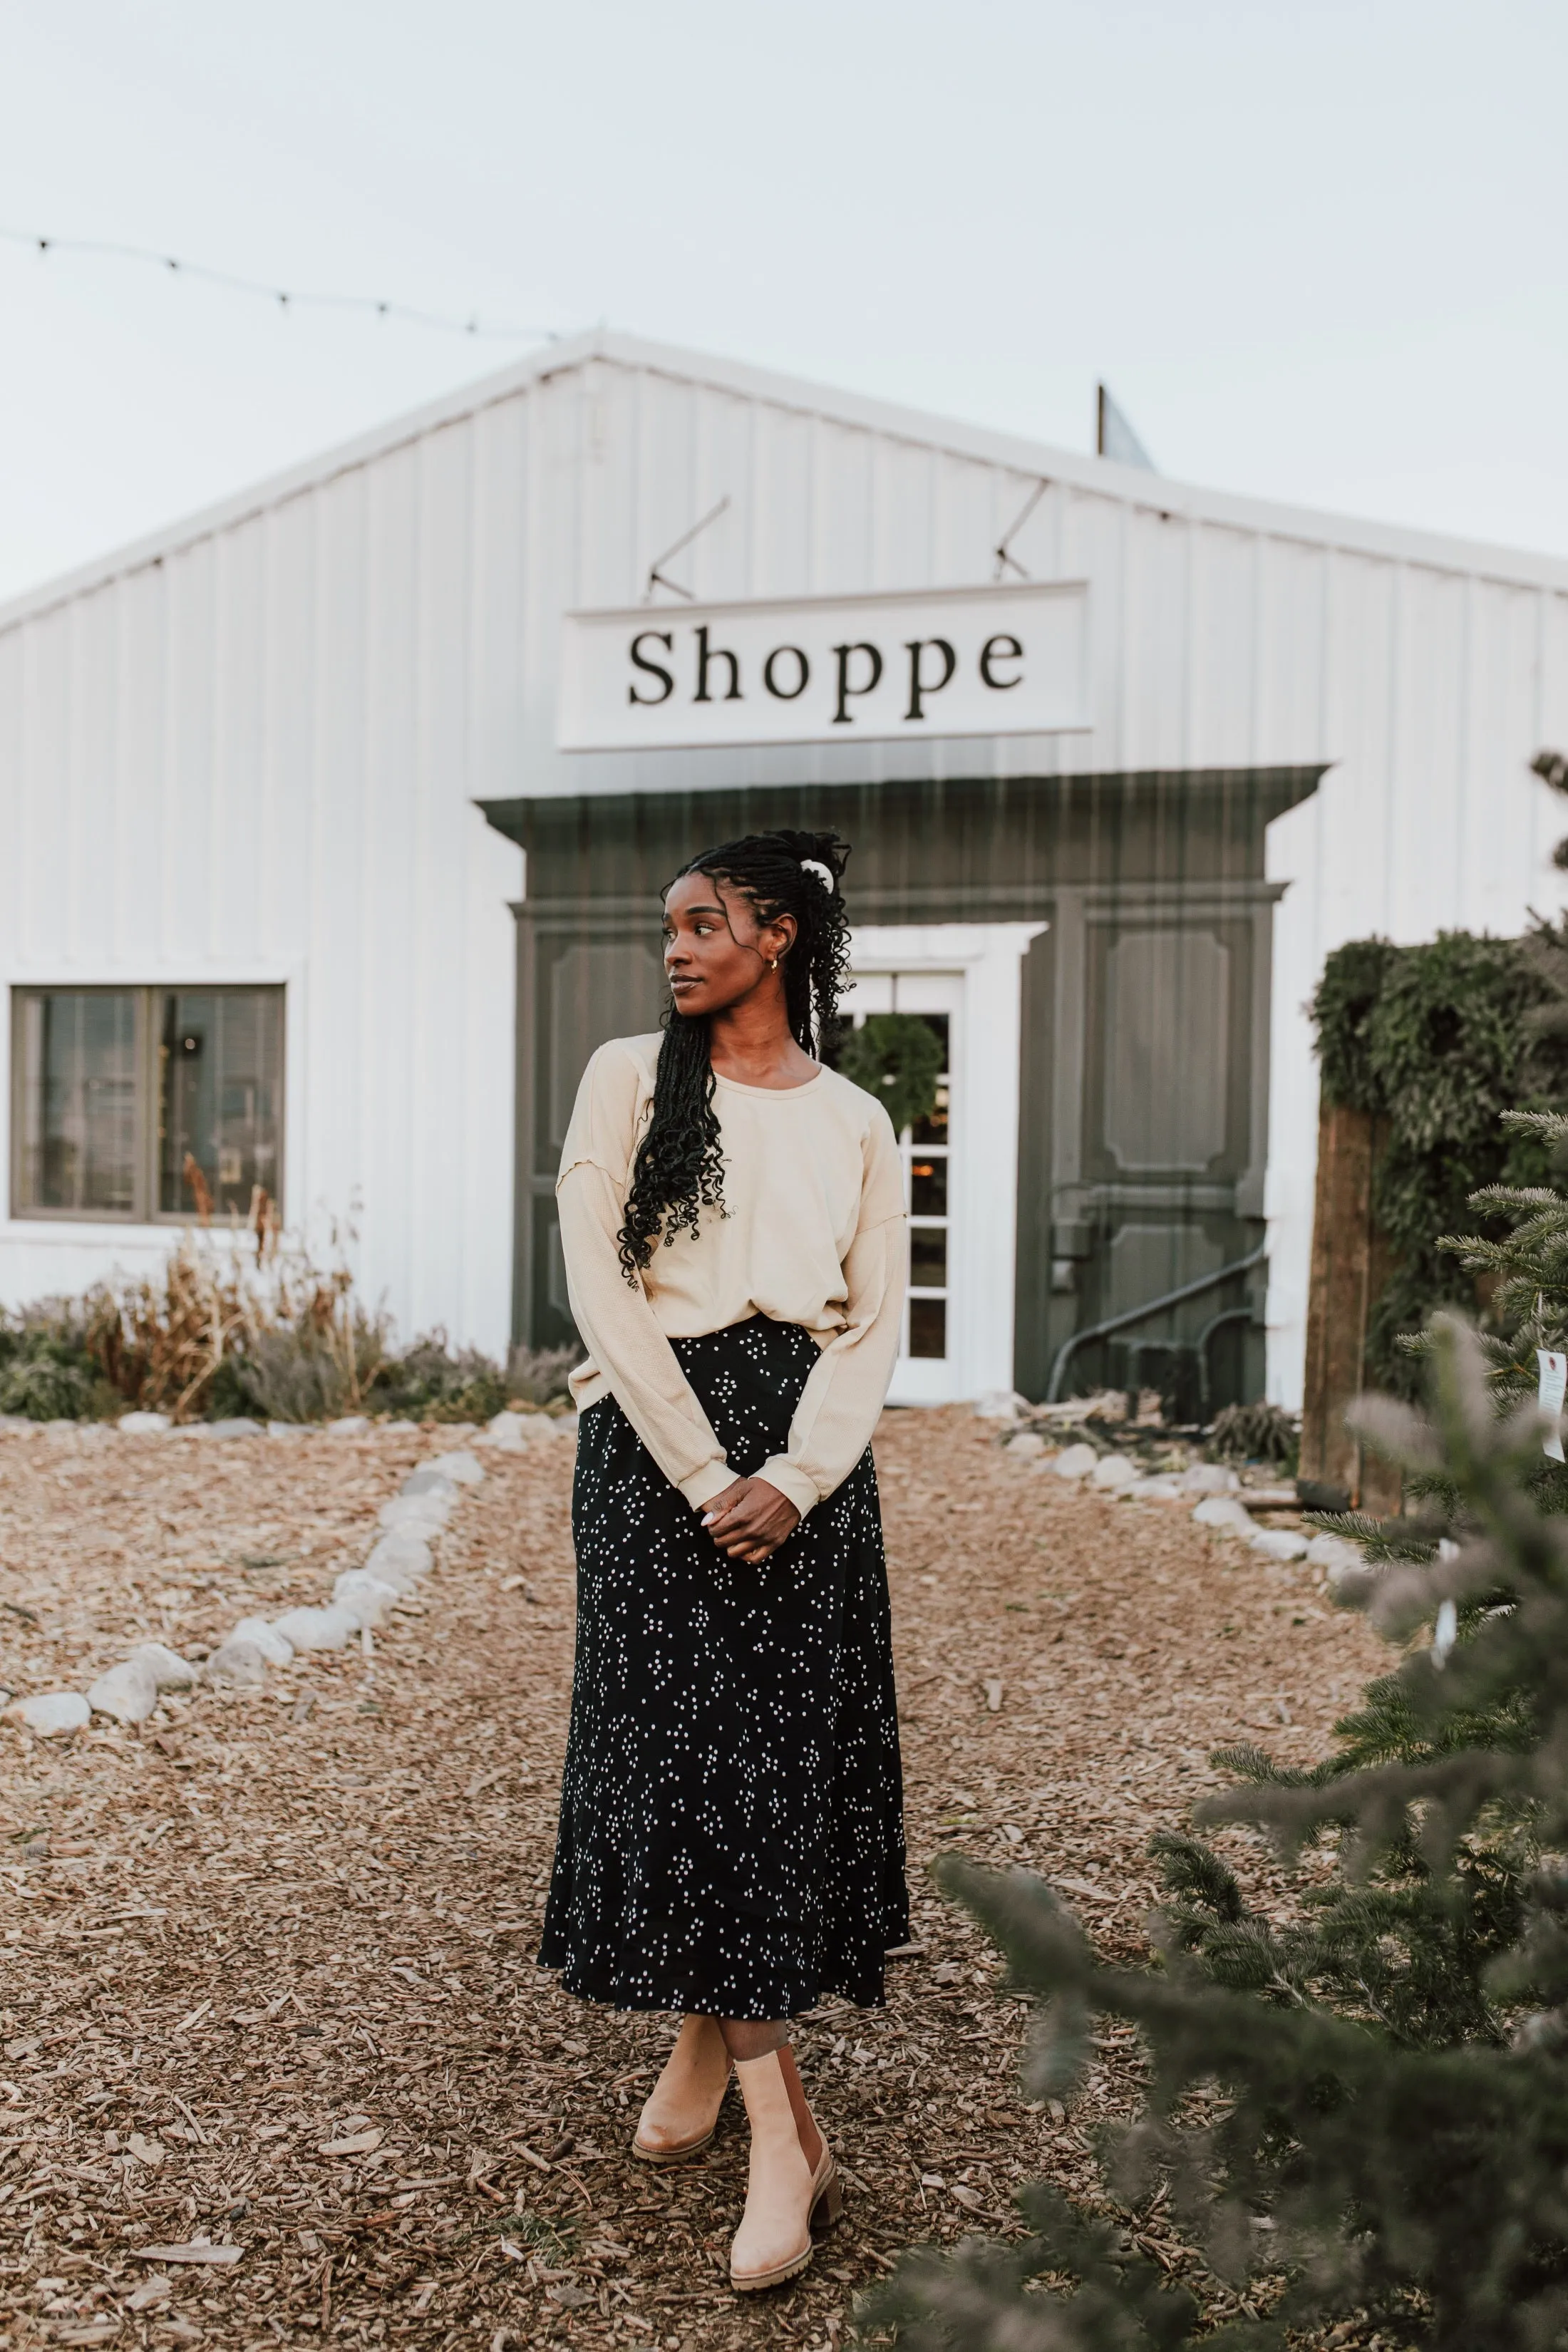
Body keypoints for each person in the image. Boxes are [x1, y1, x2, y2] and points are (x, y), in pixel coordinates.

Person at [539, 827, 910, 2292]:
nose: (677, 947)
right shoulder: (628, 1080)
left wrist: (799, 1475)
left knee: (765, 1767)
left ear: (780, 938)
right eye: (669, 928)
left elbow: (871, 1324)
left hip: (806, 1465)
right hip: (656, 1453)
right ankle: (787, 2131)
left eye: (705, 923)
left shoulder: (860, 1120)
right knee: (683, 1762)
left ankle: (722, 2054)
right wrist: (707, 1470)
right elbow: (598, 1284)